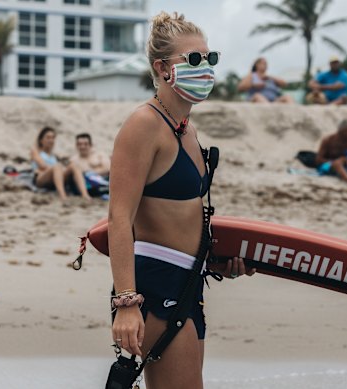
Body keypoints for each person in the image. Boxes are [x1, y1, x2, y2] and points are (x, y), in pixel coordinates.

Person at [108, 12, 255, 389]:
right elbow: (119, 218)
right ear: (162, 68)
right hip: (155, 285)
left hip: (190, 280)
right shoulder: (143, 124)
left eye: (210, 59)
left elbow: (184, 217)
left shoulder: (186, 129)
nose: (204, 68)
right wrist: (127, 303)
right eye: (193, 60)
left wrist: (220, 261)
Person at [30, 127, 91, 200]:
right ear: (41, 140)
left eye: (53, 138)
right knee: (57, 166)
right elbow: (42, 166)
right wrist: (59, 169)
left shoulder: (53, 155)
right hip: (41, 178)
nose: (51, 140)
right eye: (48, 138)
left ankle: (85, 195)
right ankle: (63, 196)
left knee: (74, 165)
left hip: (56, 177)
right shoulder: (36, 151)